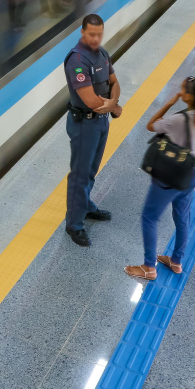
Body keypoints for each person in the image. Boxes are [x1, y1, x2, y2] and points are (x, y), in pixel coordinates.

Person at [125, 76, 195, 281]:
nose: (180, 91)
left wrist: (169, 103)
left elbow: (151, 125)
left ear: (188, 96)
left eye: (183, 89)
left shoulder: (178, 119)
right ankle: (176, 261)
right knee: (182, 217)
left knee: (149, 218)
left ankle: (149, 267)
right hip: (191, 171)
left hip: (171, 173)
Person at [63, 14, 120, 247]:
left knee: (91, 169)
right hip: (84, 124)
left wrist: (112, 104)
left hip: (100, 122)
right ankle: (74, 224)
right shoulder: (77, 60)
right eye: (91, 34)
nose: (96, 38)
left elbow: (115, 83)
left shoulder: (102, 54)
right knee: (79, 174)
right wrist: (114, 107)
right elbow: (89, 100)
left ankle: (85, 205)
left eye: (99, 34)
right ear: (82, 32)